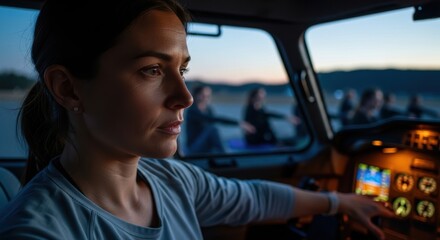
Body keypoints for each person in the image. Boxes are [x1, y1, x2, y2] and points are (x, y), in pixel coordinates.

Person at [0, 0, 393, 239]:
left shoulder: (169, 179)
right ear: (69, 89)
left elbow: (253, 199)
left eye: (181, 70)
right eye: (152, 70)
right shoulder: (40, 231)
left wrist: (338, 202)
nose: (184, 97)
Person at [185, 85, 254, 154]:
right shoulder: (193, 111)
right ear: (196, 95)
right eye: (203, 95)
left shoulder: (208, 109)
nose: (205, 98)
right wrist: (239, 123)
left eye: (208, 96)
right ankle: (225, 156)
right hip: (193, 148)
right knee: (213, 129)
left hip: (206, 146)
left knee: (215, 132)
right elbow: (215, 119)